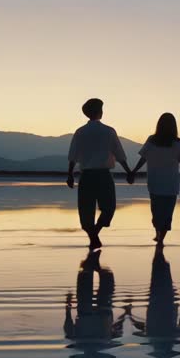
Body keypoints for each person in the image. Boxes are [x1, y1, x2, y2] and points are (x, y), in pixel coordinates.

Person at [67, 98, 133, 250]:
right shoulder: (109, 131)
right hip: (103, 176)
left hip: (87, 176)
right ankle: (95, 235)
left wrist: (70, 174)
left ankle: (93, 235)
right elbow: (119, 154)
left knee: (86, 211)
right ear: (99, 112)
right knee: (109, 208)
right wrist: (128, 171)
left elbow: (73, 156)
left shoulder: (80, 132)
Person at [128, 112, 180, 247]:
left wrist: (133, 171)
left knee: (157, 211)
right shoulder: (177, 143)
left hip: (155, 182)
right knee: (167, 213)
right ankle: (161, 236)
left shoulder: (153, 141)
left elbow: (143, 158)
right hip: (170, 184)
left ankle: (159, 235)